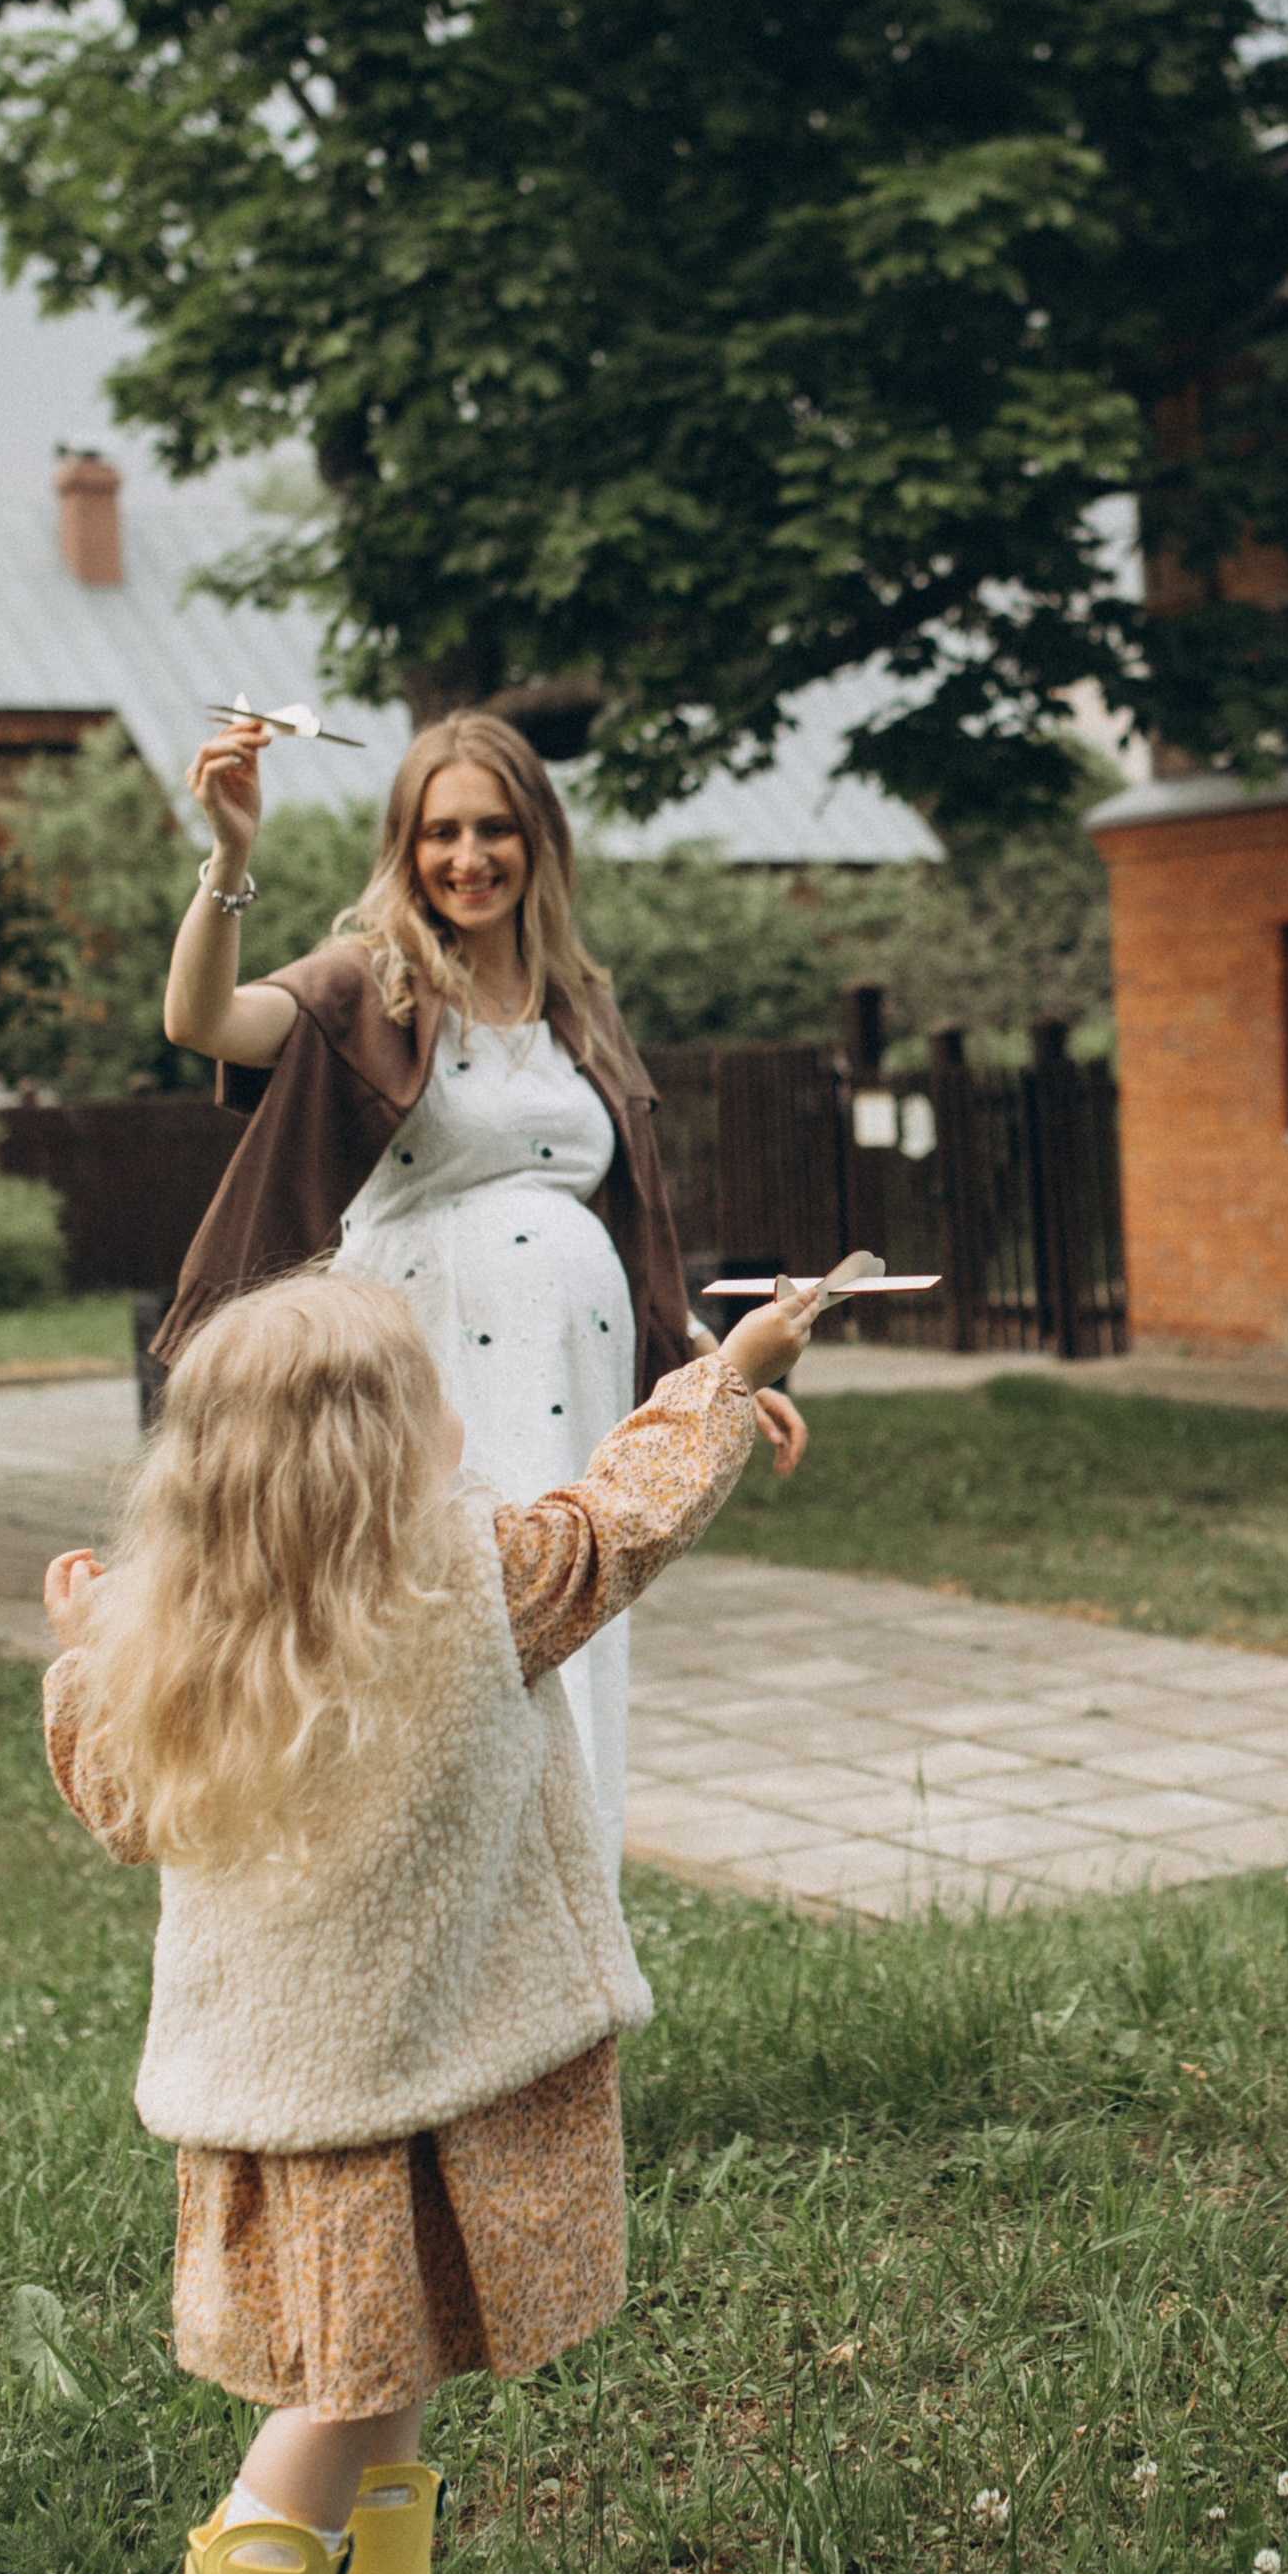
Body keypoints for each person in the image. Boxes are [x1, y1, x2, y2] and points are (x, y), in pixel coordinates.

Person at [41, 1261, 824, 2574]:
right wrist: (731, 1373)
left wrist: (82, 1654)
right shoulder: (474, 1581)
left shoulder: (175, 1632)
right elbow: (625, 1516)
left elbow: (116, 1811)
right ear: (390, 1451)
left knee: (388, 2356)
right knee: (344, 2389)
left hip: (288, 2089)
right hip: (394, 2075)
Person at [156, 707, 806, 1863]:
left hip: (575, 1372)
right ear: (406, 846)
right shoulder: (371, 984)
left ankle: (568, 1906)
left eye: (494, 828)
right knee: (450, 1616)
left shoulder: (579, 1004)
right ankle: (427, 1886)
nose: (468, 856)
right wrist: (230, 856)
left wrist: (713, 1373)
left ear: (537, 838)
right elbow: (201, 1020)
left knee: (573, 1598)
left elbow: (631, 1222)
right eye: (440, 831)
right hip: (430, 1364)